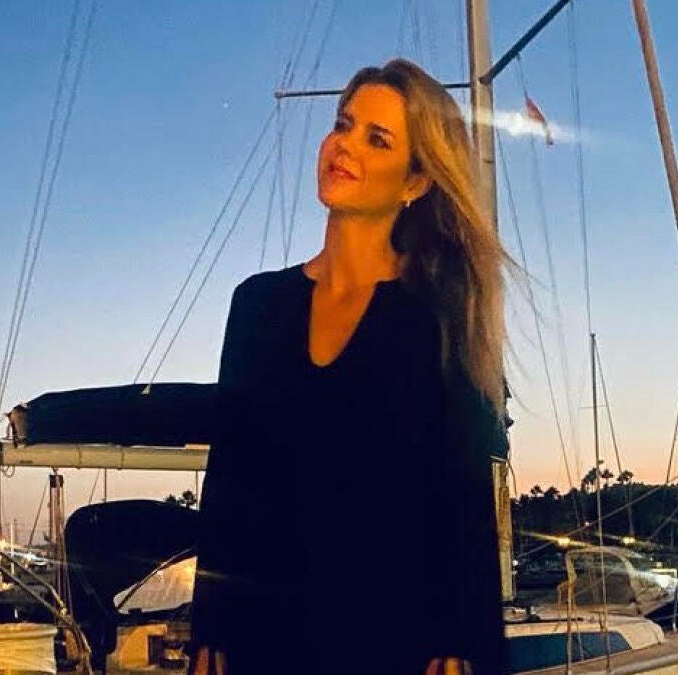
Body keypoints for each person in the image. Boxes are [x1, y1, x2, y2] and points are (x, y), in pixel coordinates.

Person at [189, 58, 510, 675]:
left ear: (415, 181)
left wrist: (462, 642)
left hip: (394, 639)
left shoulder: (441, 312)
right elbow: (230, 476)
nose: (345, 145)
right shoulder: (257, 304)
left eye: (376, 139)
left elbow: (462, 496)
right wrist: (210, 627)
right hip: (262, 640)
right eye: (343, 124)